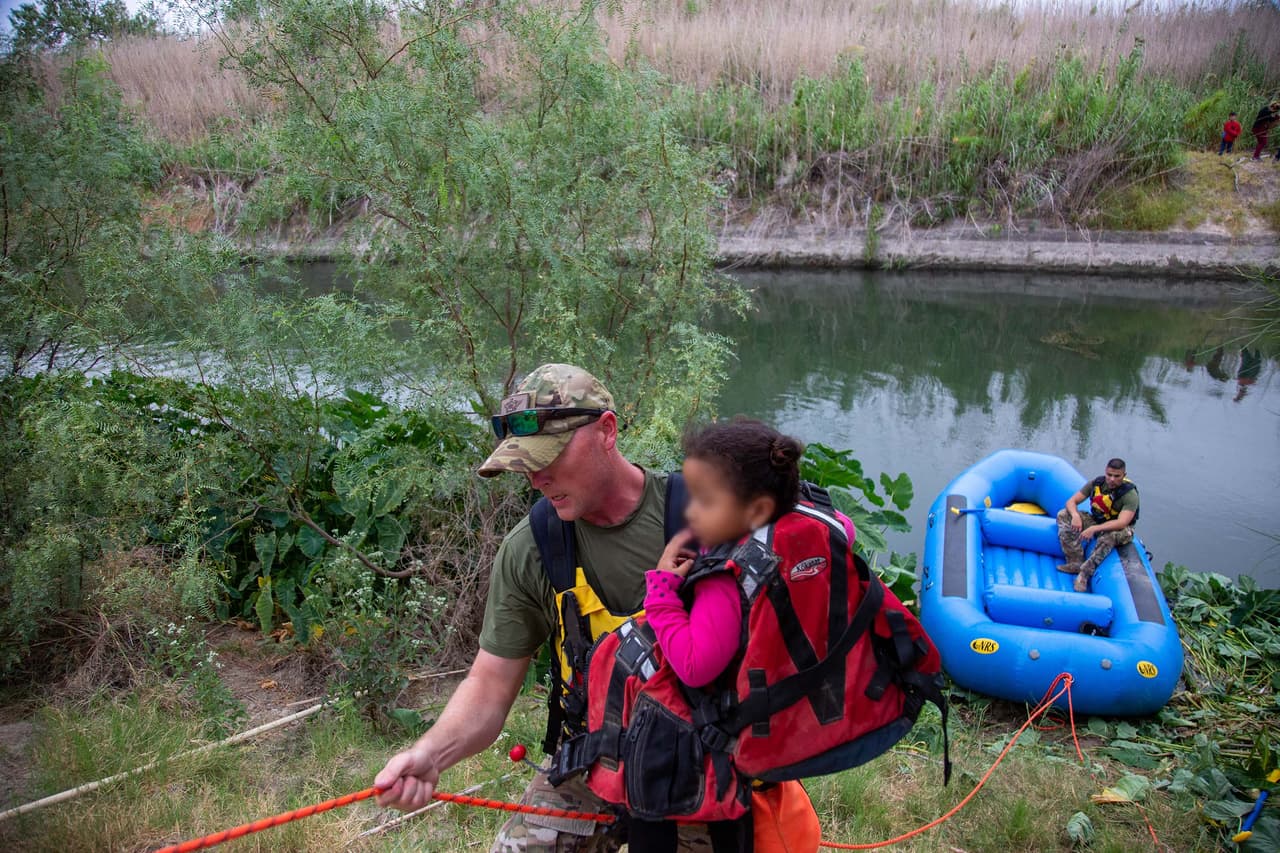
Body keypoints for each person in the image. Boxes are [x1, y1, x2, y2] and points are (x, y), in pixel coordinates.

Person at [373, 363, 712, 851]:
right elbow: (489, 684)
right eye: (526, 465)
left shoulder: (703, 517)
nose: (537, 479)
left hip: (701, 766)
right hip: (594, 757)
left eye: (549, 457)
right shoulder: (532, 548)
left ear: (607, 431)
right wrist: (430, 754)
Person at [625, 419, 816, 852]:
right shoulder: (803, 533)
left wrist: (661, 592)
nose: (690, 513)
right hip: (779, 706)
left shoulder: (724, 578)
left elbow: (695, 666)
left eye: (706, 502)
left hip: (721, 739)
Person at [1056, 458, 1139, 593]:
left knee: (1108, 538)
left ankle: (1084, 574)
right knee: (1063, 515)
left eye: (1116, 476)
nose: (1112, 479)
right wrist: (1076, 516)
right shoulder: (1097, 484)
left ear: (1124, 475)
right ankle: (1075, 561)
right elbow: (1072, 501)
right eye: (1109, 475)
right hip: (1098, 519)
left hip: (1120, 529)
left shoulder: (1130, 495)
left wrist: (1094, 529)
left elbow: (1122, 522)